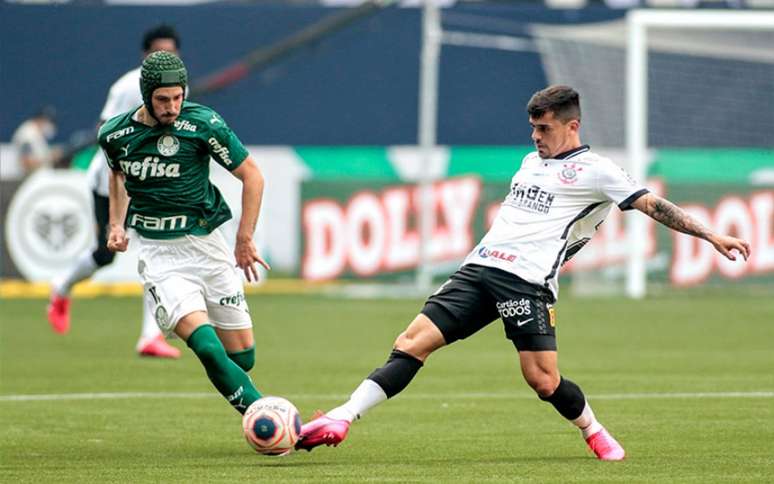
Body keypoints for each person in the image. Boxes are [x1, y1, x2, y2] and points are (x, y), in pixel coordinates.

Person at [294, 85, 752, 460]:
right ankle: (343, 416)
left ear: (571, 126)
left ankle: (593, 430)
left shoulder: (598, 171)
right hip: (479, 269)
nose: (536, 136)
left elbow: (652, 204)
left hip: (528, 283)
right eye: (533, 127)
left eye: (544, 128)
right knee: (410, 343)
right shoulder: (531, 162)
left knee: (543, 380)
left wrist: (712, 236)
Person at [100, 51, 270, 416]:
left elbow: (252, 175)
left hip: (208, 247)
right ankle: (265, 415)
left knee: (243, 357)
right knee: (207, 348)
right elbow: (118, 175)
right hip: (161, 257)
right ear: (147, 95)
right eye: (163, 99)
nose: (172, 107)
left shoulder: (204, 124)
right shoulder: (115, 135)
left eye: (178, 97)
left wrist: (244, 239)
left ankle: (255, 405)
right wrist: (117, 223)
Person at [48, 25, 182, 358]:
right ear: (145, 55)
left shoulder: (179, 86)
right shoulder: (126, 87)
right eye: (157, 52)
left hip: (148, 180)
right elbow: (105, 132)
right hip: (112, 178)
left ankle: (150, 337)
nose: (164, 58)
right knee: (106, 253)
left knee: (158, 249)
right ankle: (61, 286)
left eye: (170, 52)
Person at [11, 106, 59, 176]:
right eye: (48, 121)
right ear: (40, 120)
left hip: (38, 177)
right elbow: (26, 163)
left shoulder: (37, 134)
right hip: (28, 179)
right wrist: (50, 157)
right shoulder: (27, 135)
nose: (50, 125)